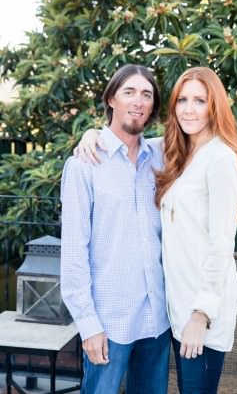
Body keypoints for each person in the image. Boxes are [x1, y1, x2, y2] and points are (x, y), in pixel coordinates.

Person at [75, 66, 237, 393]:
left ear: (214, 106)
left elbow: (221, 246)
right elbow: (73, 253)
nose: (189, 108)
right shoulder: (172, 153)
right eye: (182, 100)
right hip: (150, 315)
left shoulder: (219, 159)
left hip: (194, 316)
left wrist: (201, 315)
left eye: (200, 100)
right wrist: (93, 135)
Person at [61, 64, 171, 393]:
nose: (138, 101)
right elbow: (73, 253)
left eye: (146, 94)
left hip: (156, 321)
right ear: (111, 99)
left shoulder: (162, 156)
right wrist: (88, 325)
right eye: (129, 92)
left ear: (152, 106)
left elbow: (206, 131)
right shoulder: (84, 165)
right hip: (109, 323)